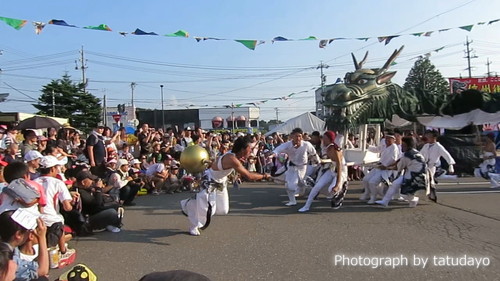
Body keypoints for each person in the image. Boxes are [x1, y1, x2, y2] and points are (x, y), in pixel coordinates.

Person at [180, 136, 271, 236]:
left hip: (221, 182)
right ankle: (192, 219)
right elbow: (248, 175)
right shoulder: (232, 159)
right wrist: (264, 175)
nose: (250, 152)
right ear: (242, 149)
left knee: (223, 210)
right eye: (249, 150)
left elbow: (251, 146)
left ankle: (196, 203)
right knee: (209, 210)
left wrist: (258, 140)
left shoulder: (235, 154)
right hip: (211, 181)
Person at [34, 156, 78, 257]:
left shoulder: (34, 181)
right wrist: (72, 203)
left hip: (35, 218)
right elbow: (67, 207)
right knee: (60, 220)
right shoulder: (58, 183)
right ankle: (63, 251)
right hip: (51, 219)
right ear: (52, 168)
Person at [298, 131, 348, 212]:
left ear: (330, 139)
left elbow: (339, 166)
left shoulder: (335, 149)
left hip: (341, 172)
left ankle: (341, 189)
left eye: (325, 138)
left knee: (331, 190)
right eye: (323, 138)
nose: (323, 140)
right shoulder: (327, 148)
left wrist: (338, 183)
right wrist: (318, 161)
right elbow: (328, 160)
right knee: (317, 187)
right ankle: (306, 206)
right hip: (331, 169)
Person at [272, 128, 320, 206]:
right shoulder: (288, 144)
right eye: (296, 136)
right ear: (292, 136)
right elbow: (278, 150)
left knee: (301, 183)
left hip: (303, 167)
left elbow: (313, 153)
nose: (298, 138)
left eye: (299, 136)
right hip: (292, 167)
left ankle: (307, 188)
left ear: (302, 137)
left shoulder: (306, 144)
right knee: (290, 185)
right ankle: (292, 201)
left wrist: (317, 161)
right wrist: (272, 154)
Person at [376, 137, 427, 207]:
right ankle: (385, 201)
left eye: (403, 145)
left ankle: (414, 200)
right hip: (415, 174)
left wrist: (386, 168)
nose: (401, 147)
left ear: (408, 146)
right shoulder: (414, 151)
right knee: (395, 184)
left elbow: (398, 168)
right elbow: (400, 161)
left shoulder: (407, 155)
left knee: (404, 195)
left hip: (415, 177)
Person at [0, 210, 49, 281]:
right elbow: (42, 270)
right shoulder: (9, 259)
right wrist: (42, 237)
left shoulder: (10, 248)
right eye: (30, 230)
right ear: (18, 234)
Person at [360, 132, 401, 204]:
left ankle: (373, 197)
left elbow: (393, 160)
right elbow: (376, 149)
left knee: (372, 182)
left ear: (393, 139)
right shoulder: (384, 145)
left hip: (386, 170)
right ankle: (367, 193)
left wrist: (385, 166)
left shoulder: (394, 147)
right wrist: (367, 146)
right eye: (386, 138)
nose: (387, 140)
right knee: (365, 179)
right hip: (379, 166)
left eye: (389, 139)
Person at [419, 130, 455, 202]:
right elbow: (420, 154)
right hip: (424, 165)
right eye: (427, 136)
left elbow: (446, 155)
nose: (427, 137)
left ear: (434, 137)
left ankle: (432, 194)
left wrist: (450, 165)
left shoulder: (438, 146)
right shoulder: (426, 146)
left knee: (429, 179)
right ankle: (430, 193)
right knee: (424, 179)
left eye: (429, 136)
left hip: (432, 166)